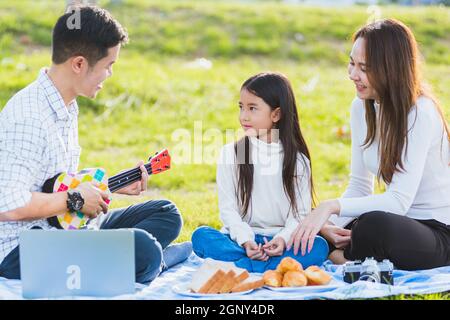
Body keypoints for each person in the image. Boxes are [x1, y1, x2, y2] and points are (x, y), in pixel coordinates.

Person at [0, 5, 191, 284]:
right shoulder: (28, 118)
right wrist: (76, 198)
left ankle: (129, 259)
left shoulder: (66, 105)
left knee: (165, 213)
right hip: (24, 249)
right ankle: (156, 262)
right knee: (145, 249)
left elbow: (49, 182)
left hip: (63, 230)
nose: (110, 74)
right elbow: (8, 205)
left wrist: (109, 186)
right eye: (108, 65)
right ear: (79, 64)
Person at [287, 19, 450, 271]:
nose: (353, 75)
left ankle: (340, 257)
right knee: (311, 222)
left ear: (390, 69)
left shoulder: (420, 112)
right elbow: (359, 187)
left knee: (372, 227)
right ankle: (342, 254)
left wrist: (331, 206)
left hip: (436, 232)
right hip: (396, 220)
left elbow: (398, 201)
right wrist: (324, 223)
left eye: (364, 68)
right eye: (352, 64)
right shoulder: (361, 107)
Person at [192, 72, 329, 273]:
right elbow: (228, 211)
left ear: (276, 114)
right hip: (240, 240)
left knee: (318, 247)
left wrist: (283, 239)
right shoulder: (230, 154)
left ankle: (243, 267)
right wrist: (247, 241)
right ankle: (270, 267)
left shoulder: (298, 161)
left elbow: (299, 214)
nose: (243, 116)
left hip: (281, 241)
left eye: (252, 108)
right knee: (201, 236)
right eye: (241, 107)